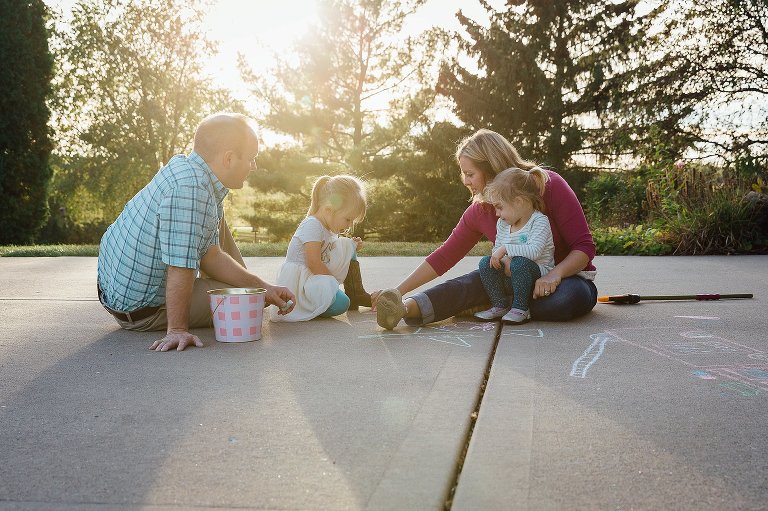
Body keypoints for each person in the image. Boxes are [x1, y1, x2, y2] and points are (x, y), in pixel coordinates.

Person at [97, 112, 295, 352]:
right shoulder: (192, 191)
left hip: (118, 290)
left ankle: (258, 291)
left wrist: (266, 287)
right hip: (142, 310)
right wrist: (177, 330)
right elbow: (181, 265)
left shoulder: (191, 170)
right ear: (229, 158)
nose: (254, 166)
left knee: (219, 229)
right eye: (252, 158)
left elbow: (211, 256)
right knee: (247, 304)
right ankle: (247, 297)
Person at [374, 128, 597, 330]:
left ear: (492, 169)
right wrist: (396, 291)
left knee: (568, 298)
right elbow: (444, 256)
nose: (465, 181)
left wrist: (554, 275)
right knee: (470, 282)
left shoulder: (549, 185)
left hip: (566, 281)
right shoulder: (480, 211)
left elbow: (584, 248)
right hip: (511, 280)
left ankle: (495, 304)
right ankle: (403, 307)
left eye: (470, 174)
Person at [270, 175, 371, 322]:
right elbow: (313, 263)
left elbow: (330, 253)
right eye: (348, 219)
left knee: (348, 245)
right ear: (329, 209)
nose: (349, 225)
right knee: (342, 303)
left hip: (315, 278)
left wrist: (352, 247)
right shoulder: (312, 225)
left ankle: (356, 293)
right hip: (302, 285)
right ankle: (312, 307)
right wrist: (333, 286)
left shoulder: (328, 226)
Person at [473, 167, 555, 324]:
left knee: (520, 263)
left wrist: (505, 250)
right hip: (512, 273)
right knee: (486, 262)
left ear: (518, 202)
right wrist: (499, 257)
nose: (497, 213)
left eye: (500, 207)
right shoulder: (503, 224)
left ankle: (521, 308)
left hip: (537, 274)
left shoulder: (539, 221)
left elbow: (534, 251)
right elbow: (497, 248)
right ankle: (500, 305)